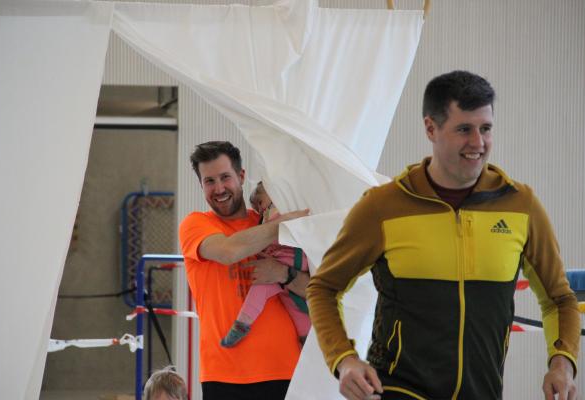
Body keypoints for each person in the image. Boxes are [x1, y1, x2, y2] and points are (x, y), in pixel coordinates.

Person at [307, 71, 581, 400]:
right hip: (397, 389)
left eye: (486, 128)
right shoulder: (382, 207)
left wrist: (562, 363)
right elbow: (324, 288)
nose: (478, 143)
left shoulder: (522, 206)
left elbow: (559, 299)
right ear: (430, 128)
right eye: (464, 129)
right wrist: (344, 359)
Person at [179, 141, 310, 400]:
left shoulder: (265, 219)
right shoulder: (195, 224)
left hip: (286, 370)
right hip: (225, 376)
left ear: (241, 176)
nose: (219, 188)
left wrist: (283, 274)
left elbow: (318, 290)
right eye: (209, 181)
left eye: (225, 177)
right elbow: (228, 251)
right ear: (201, 185)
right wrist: (284, 225)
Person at [221, 181, 311, 348]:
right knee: (293, 307)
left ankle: (243, 322)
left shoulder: (280, 209)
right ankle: (305, 339)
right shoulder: (267, 216)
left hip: (293, 258)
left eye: (260, 202)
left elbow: (277, 231)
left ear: (273, 192)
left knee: (260, 289)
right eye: (257, 209)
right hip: (284, 263)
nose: (260, 210)